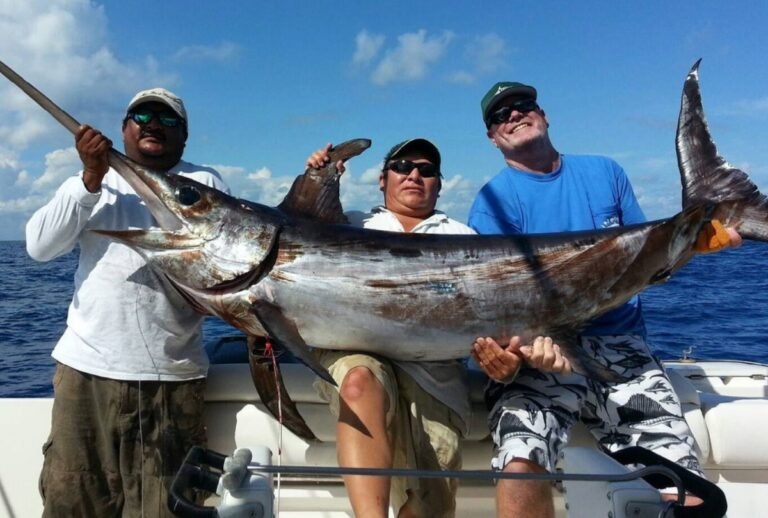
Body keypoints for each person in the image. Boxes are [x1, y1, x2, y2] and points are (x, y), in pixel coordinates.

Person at [467, 80, 741, 518]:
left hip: (622, 348)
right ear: (492, 136)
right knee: (520, 459)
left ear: (543, 113)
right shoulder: (492, 201)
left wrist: (698, 243)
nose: (513, 115)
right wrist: (517, 355)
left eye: (522, 105)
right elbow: (498, 302)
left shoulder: (605, 172)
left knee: (684, 485)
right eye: (500, 115)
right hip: (542, 353)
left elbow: (649, 265)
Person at [307, 139, 572, 518]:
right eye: (402, 166)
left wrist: (507, 362)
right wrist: (317, 174)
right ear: (382, 180)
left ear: (439, 185)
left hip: (436, 380)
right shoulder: (347, 224)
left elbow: (497, 323)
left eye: (427, 170)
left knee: (428, 508)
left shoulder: (464, 239)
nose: (415, 174)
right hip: (358, 352)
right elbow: (292, 235)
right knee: (359, 380)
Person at [26, 88, 229, 517]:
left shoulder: (205, 183)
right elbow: (40, 248)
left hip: (171, 377)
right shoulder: (89, 180)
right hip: (86, 372)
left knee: (166, 509)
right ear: (124, 129)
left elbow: (222, 268)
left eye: (168, 120)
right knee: (72, 503)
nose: (154, 124)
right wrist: (90, 180)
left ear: (185, 136)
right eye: (142, 116)